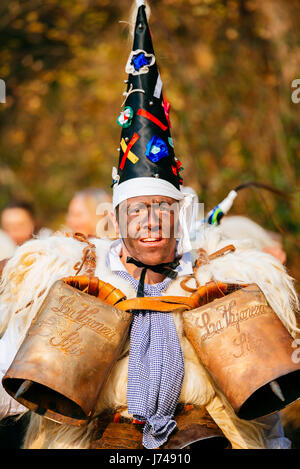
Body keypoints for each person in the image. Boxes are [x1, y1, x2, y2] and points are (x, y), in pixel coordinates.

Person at [0, 0, 298, 450]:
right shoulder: (69, 280)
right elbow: (15, 381)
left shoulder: (224, 280)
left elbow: (266, 416)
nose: (152, 222)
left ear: (181, 213)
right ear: (116, 219)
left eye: (163, 207)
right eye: (137, 210)